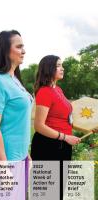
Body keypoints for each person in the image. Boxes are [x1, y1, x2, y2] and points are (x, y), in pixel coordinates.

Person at [0, 30, 33, 200]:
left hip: (21, 158)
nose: (23, 51)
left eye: (23, 46)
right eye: (19, 47)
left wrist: (27, 155)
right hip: (4, 161)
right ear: (5, 50)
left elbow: (19, 123)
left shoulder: (15, 79)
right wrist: (4, 168)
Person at [30, 55, 81, 199]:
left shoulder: (58, 90)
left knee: (58, 193)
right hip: (48, 146)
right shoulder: (45, 91)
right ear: (49, 68)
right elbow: (39, 126)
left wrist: (89, 127)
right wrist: (65, 137)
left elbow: (65, 118)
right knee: (47, 195)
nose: (62, 68)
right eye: (59, 65)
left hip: (62, 145)